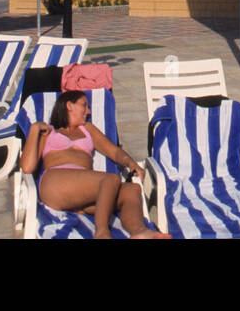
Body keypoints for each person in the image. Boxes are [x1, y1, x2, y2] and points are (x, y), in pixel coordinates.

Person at [20, 90, 169, 239]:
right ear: (69, 106)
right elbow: (27, 167)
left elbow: (114, 151)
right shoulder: (48, 133)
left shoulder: (88, 130)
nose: (88, 111)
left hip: (82, 192)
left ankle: (139, 231)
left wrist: (131, 163)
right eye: (84, 105)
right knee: (111, 179)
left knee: (132, 190)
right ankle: (102, 232)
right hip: (55, 183)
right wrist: (34, 129)